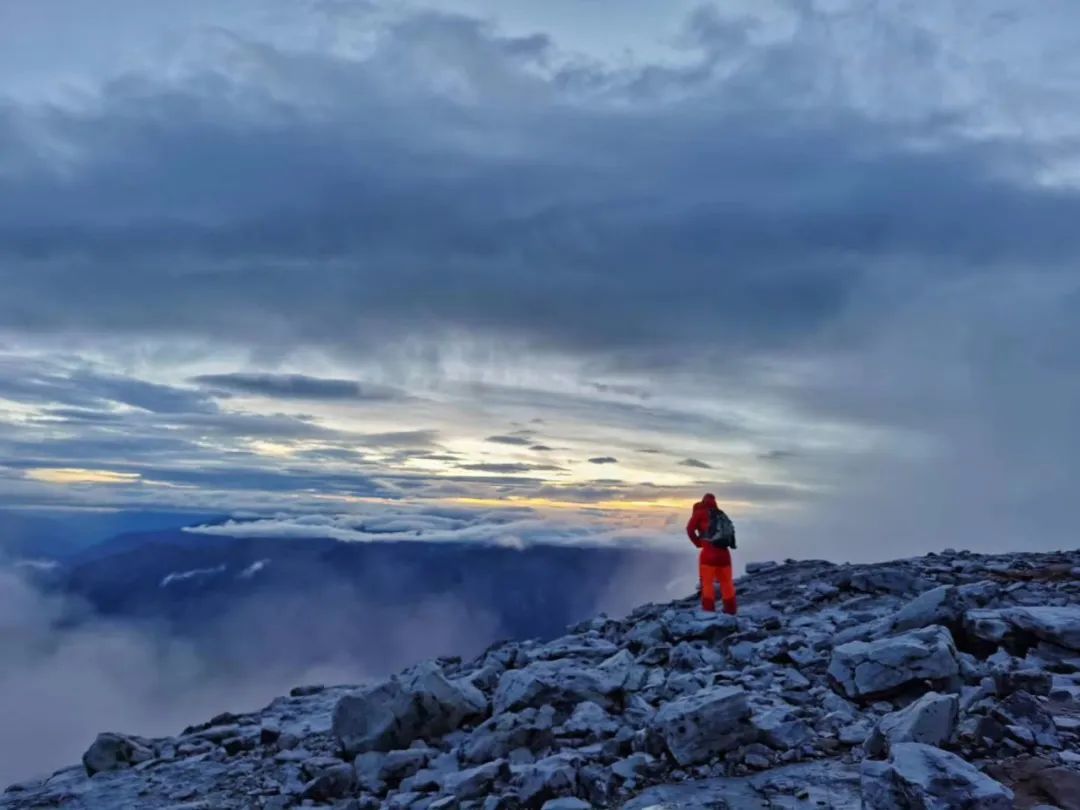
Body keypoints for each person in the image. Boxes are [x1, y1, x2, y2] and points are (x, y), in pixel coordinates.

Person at [686, 493, 737, 615]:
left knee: (707, 584)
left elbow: (689, 529)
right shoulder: (721, 514)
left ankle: (709, 611)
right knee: (727, 583)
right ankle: (731, 610)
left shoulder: (700, 513)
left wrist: (698, 543)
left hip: (708, 555)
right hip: (725, 555)